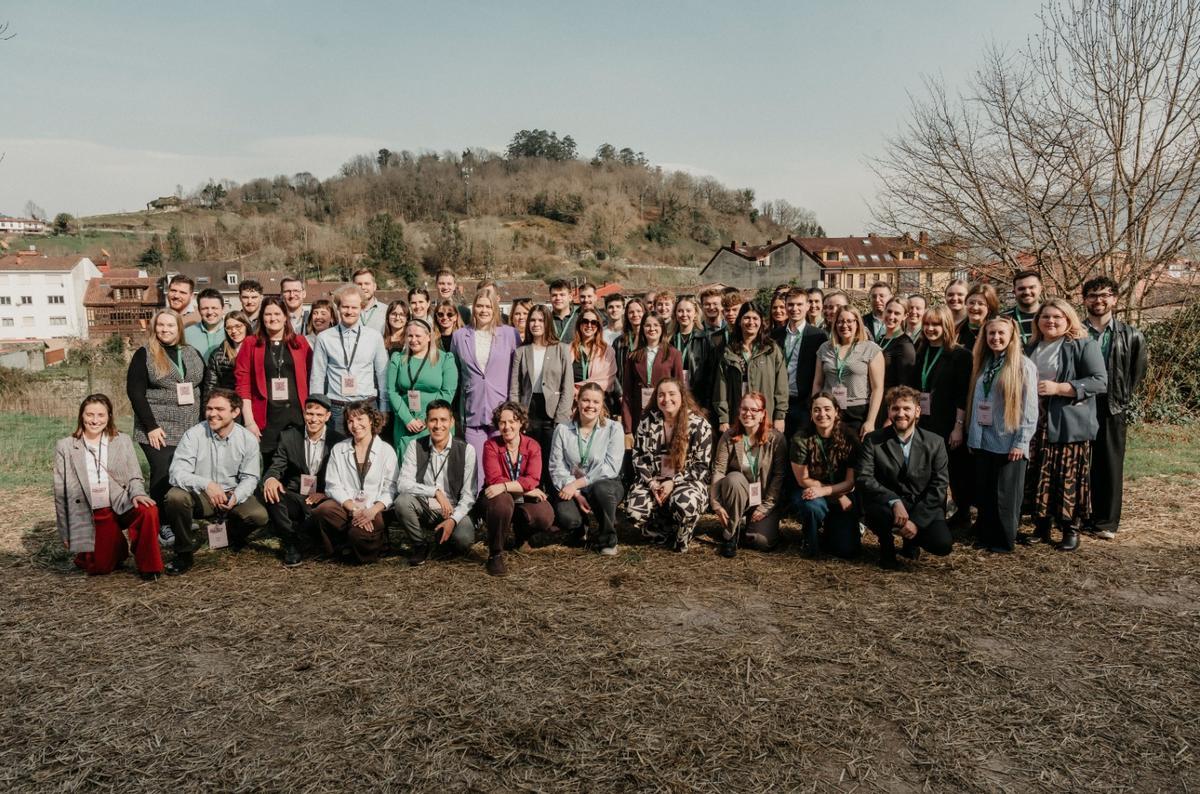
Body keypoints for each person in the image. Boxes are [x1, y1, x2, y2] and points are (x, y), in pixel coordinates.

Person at [1022, 298, 1107, 551]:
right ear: (1038, 321)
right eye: (1045, 316)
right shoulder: (1032, 346)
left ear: (1068, 319)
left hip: (1068, 421)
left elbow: (1099, 381)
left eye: (1057, 317)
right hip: (1037, 419)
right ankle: (1041, 525)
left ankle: (1070, 528)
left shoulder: (1082, 344)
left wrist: (1061, 388)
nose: (1051, 321)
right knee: (1039, 472)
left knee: (1067, 476)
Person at [54, 394, 163, 579]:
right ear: (82, 416)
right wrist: (66, 531)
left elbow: (135, 476)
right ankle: (117, 547)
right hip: (94, 510)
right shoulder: (65, 446)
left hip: (121, 501)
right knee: (101, 567)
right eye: (90, 415)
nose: (95, 420)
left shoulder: (123, 440)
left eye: (100, 415)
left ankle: (149, 567)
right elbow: (61, 494)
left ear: (109, 416)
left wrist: (137, 493)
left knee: (148, 509)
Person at [162, 388, 270, 575]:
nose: (212, 414)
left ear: (235, 412)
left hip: (231, 493)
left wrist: (236, 496)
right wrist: (207, 485)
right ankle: (184, 553)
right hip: (200, 495)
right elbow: (176, 473)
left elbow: (250, 477)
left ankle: (230, 534)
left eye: (219, 409)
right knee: (175, 497)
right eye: (209, 408)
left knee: (259, 515)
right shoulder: (193, 435)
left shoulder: (247, 440)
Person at [857, 386, 953, 569]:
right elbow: (864, 478)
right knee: (877, 509)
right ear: (889, 412)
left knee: (942, 544)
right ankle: (886, 545)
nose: (901, 413)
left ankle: (912, 541)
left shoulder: (935, 442)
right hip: (887, 505)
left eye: (906, 408)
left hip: (921, 504)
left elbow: (939, 486)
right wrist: (893, 500)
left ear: (917, 411)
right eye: (895, 408)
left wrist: (915, 522)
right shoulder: (873, 440)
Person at [1082, 276, 1147, 540]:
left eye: (1105, 295)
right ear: (1084, 300)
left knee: (1109, 465)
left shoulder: (1131, 335)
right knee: (1078, 463)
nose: (1099, 300)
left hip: (1112, 406)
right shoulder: (1075, 331)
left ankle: (1106, 522)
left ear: (1115, 299)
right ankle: (1078, 516)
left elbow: (1136, 374)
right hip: (1079, 404)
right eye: (1093, 295)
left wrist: (1120, 400)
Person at [966, 316, 1038, 552]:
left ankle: (1003, 541)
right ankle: (985, 536)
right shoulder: (986, 363)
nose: (995, 338)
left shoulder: (1023, 366)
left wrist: (1021, 442)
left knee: (1005, 495)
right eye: (991, 334)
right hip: (985, 439)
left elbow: (1030, 408)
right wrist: (974, 437)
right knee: (985, 492)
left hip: (1009, 441)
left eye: (1000, 334)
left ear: (1011, 337)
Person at [126, 309, 206, 512]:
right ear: (154, 328)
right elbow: (135, 393)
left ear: (179, 328)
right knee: (163, 471)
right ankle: (163, 522)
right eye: (161, 325)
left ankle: (182, 516)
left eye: (170, 325)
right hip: (158, 428)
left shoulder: (191, 352)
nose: (165, 329)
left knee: (187, 471)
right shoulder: (145, 354)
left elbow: (204, 387)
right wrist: (151, 426)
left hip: (190, 426)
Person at [625, 378, 713, 552]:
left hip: (687, 482)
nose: (666, 399)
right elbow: (638, 457)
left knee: (684, 504)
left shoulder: (699, 425)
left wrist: (673, 482)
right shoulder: (647, 422)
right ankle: (661, 533)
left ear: (682, 396)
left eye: (672, 394)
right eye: (661, 395)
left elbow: (701, 467)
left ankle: (682, 536)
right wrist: (651, 483)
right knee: (634, 510)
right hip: (654, 480)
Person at [260, 394, 345, 567]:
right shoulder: (289, 436)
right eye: (309, 414)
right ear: (304, 414)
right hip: (296, 496)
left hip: (324, 498)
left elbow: (344, 478)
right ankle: (290, 542)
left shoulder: (338, 441)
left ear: (328, 416)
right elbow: (277, 465)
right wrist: (271, 478)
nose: (313, 419)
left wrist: (326, 494)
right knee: (273, 492)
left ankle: (314, 537)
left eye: (319, 415)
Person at [907, 305, 973, 527]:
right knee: (928, 470)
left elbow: (962, 393)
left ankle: (962, 513)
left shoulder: (960, 355)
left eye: (935, 324)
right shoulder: (921, 350)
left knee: (953, 469)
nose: (930, 329)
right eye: (926, 324)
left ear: (946, 326)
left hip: (948, 421)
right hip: (925, 421)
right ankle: (932, 514)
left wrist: (958, 426)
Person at [312, 400, 397, 564]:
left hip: (375, 509)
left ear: (371, 420)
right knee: (322, 511)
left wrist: (372, 511)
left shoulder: (386, 450)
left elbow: (391, 489)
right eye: (350, 421)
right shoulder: (339, 449)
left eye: (360, 419)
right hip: (348, 507)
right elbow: (332, 485)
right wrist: (353, 509)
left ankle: (372, 544)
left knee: (357, 535)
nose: (355, 425)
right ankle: (341, 546)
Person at [452, 288, 523, 484]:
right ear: (473, 308)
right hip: (472, 411)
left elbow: (517, 372)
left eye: (488, 306)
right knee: (476, 468)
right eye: (479, 306)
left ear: (495, 309)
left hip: (502, 412)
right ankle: (479, 507)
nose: (483, 310)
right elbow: (456, 374)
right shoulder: (460, 336)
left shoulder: (510, 334)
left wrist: (514, 407)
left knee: (503, 466)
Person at [392, 399, 477, 565]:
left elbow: (469, 495)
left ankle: (444, 538)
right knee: (402, 501)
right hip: (425, 507)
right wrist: (434, 492)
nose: (438, 425)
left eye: (443, 420)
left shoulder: (467, 450)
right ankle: (420, 545)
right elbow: (402, 483)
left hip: (453, 509)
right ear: (426, 422)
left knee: (464, 540)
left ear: (452, 422)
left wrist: (453, 519)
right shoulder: (414, 445)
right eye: (433, 420)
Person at [548, 383, 626, 555]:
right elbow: (556, 467)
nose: (590, 405)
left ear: (602, 404)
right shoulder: (562, 430)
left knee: (601, 489)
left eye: (596, 402)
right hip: (572, 486)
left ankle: (608, 539)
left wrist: (578, 484)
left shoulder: (613, 429)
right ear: (578, 400)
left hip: (605, 483)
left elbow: (610, 468)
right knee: (567, 517)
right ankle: (580, 529)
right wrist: (575, 492)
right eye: (586, 400)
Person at [480, 401, 554, 576]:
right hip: (497, 497)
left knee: (545, 515)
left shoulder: (533, 446)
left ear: (521, 422)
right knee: (502, 502)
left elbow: (533, 479)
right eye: (502, 422)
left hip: (519, 495)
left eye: (512, 421)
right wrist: (524, 488)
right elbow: (494, 480)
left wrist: (510, 486)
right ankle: (496, 554)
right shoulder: (490, 445)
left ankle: (522, 535)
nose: (507, 427)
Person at [235, 296, 312, 463]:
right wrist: (249, 421)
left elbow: (312, 377)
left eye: (277, 313)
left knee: (296, 467)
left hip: (297, 416)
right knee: (268, 467)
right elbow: (243, 385)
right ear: (262, 317)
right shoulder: (251, 343)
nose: (273, 318)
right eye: (268, 314)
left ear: (285, 316)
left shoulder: (300, 342)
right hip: (266, 419)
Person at [709, 391, 787, 557]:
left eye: (754, 410)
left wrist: (766, 506)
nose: (748, 413)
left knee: (761, 542)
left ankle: (748, 526)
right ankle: (730, 534)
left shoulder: (776, 439)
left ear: (763, 414)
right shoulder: (729, 436)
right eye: (744, 409)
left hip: (764, 498)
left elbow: (779, 476)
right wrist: (715, 503)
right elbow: (719, 470)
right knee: (733, 479)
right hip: (737, 495)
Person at [309, 284, 390, 431]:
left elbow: (383, 375)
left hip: (367, 406)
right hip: (337, 408)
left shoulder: (374, 337)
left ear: (362, 308)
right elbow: (317, 376)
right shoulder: (324, 338)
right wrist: (318, 409)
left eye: (354, 307)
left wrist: (384, 407)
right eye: (345, 307)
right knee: (338, 451)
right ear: (338, 308)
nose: (349, 311)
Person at [791, 394, 861, 558]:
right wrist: (830, 493)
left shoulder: (850, 438)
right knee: (812, 505)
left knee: (847, 551)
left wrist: (833, 493)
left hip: (842, 492)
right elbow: (803, 480)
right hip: (812, 491)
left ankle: (831, 530)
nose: (822, 414)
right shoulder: (800, 439)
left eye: (827, 409)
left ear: (836, 411)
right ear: (811, 414)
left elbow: (850, 482)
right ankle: (810, 541)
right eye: (817, 410)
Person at [509, 304, 573, 466]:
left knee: (552, 459)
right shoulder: (521, 352)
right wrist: (517, 417)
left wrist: (561, 418)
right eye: (532, 320)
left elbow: (568, 386)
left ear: (548, 323)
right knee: (530, 459)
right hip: (529, 412)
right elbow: (515, 388)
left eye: (540, 320)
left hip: (553, 413)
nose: (536, 324)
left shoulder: (562, 349)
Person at [386, 317, 458, 461]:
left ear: (429, 337)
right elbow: (392, 391)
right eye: (410, 335)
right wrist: (408, 419)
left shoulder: (445, 359)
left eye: (418, 336)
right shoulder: (397, 359)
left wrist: (429, 419)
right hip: (406, 423)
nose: (413, 340)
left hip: (436, 423)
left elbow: (448, 392)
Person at [713, 303, 788, 434]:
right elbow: (721, 386)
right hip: (737, 415)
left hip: (764, 415)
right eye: (747, 318)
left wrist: (780, 416)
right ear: (740, 321)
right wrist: (723, 418)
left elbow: (781, 387)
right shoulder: (729, 351)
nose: (751, 322)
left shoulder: (771, 349)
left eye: (755, 318)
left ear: (761, 322)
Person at [811, 306, 884, 439]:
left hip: (858, 412)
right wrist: (815, 408)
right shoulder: (825, 348)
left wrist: (870, 421)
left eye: (849, 321)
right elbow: (818, 382)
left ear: (857, 323)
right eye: (840, 321)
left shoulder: (871, 349)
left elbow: (877, 388)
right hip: (830, 411)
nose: (844, 325)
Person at [772, 288, 828, 437]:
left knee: (801, 446)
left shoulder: (818, 336)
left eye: (799, 304)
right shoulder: (775, 336)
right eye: (790, 304)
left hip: (804, 402)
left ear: (807, 306)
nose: (794, 309)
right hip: (779, 402)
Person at [622, 313, 683, 436]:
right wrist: (627, 428)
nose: (652, 329)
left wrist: (679, 419)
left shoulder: (673, 353)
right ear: (642, 328)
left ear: (662, 328)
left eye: (656, 325)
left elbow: (680, 389)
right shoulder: (633, 356)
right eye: (647, 325)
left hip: (665, 414)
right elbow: (627, 394)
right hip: (640, 415)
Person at [670, 297, 715, 408]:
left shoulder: (705, 340)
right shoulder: (669, 340)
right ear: (675, 314)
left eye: (688, 311)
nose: (684, 314)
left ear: (695, 314)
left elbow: (710, 376)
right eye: (680, 311)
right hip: (673, 396)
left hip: (698, 398)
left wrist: (706, 404)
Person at [878, 297, 917, 389]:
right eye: (889, 311)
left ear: (905, 316)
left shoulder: (905, 344)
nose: (891, 317)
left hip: (891, 399)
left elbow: (905, 384)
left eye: (897, 313)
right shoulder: (881, 339)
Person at [185, 288, 226, 361]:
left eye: (214, 308)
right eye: (205, 308)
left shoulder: (232, 332)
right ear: (199, 310)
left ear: (223, 309)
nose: (210, 312)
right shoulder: (187, 333)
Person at [958, 283, 1000, 353]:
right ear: (966, 303)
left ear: (990, 307)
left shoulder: (996, 331)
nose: (975, 307)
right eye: (971, 303)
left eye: (981, 304)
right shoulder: (957, 330)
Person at [1006, 269, 1043, 345]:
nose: (1027, 292)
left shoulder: (1053, 317)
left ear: (1040, 289)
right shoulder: (1004, 318)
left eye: (1032, 287)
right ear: (1014, 292)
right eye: (1021, 289)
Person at [352, 268, 388, 334]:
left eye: (367, 283)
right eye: (359, 284)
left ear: (374, 286)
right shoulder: (346, 312)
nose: (363, 287)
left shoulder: (386, 311)